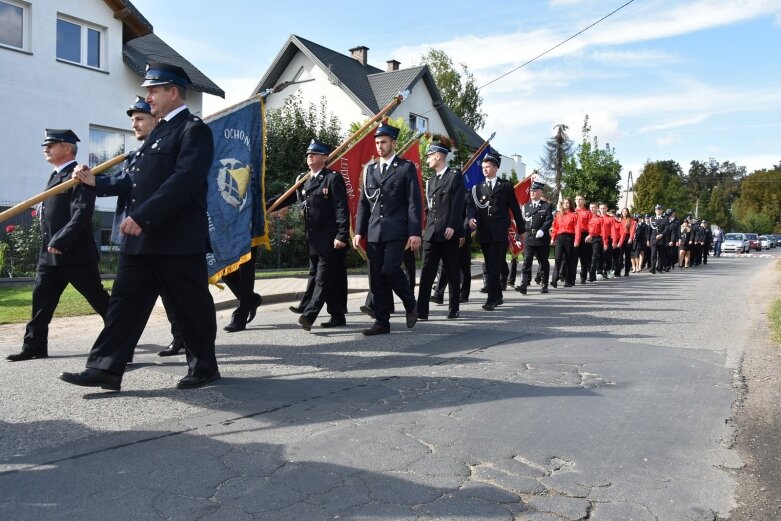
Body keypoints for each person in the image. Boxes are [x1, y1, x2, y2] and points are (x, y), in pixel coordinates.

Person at [60, 62, 219, 391]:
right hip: (142, 241)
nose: (148, 97)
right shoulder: (156, 133)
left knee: (190, 308)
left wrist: (144, 216)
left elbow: (184, 181)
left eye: (153, 90)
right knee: (123, 304)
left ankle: (204, 366)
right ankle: (105, 368)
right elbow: (130, 180)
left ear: (173, 92)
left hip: (176, 240)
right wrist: (93, 182)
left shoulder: (193, 130)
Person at [7, 130, 110, 362]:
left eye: (51, 144)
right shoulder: (55, 176)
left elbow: (82, 212)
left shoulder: (79, 174)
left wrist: (62, 238)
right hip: (50, 254)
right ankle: (34, 346)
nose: (46, 148)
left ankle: (121, 342)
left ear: (67, 148)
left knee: (99, 300)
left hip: (75, 254)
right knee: (41, 301)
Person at [273, 140, 350, 331]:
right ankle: (337, 315)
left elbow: (341, 208)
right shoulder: (306, 181)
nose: (310, 156)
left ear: (324, 158)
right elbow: (287, 197)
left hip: (331, 238)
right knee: (323, 277)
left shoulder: (333, 179)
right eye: (309, 154)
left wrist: (342, 234)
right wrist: (267, 206)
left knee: (323, 278)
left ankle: (310, 314)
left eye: (314, 154)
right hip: (314, 239)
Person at [353, 124, 422, 335]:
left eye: (383, 142)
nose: (379, 146)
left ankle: (411, 303)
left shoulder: (405, 168)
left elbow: (414, 202)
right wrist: (358, 231)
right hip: (374, 231)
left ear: (393, 143)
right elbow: (363, 203)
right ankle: (382, 322)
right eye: (377, 142)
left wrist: (415, 232)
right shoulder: (370, 170)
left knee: (390, 269)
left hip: (397, 229)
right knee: (377, 278)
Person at [466, 149, 523, 310]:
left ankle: (491, 299)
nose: (485, 169)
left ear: (496, 167)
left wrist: (522, 229)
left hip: (499, 232)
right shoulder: (477, 188)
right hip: (484, 232)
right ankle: (498, 296)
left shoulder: (505, 186)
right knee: (490, 265)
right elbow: (471, 206)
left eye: (488, 166)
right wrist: (471, 217)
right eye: (483, 167)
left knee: (494, 264)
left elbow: (515, 208)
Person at [416, 142, 465, 320]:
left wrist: (453, 225)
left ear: (438, 155)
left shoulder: (454, 176)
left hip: (447, 232)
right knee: (427, 272)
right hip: (431, 233)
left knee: (452, 271)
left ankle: (454, 308)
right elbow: (429, 208)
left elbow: (458, 204)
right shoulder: (431, 181)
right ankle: (421, 310)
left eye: (429, 155)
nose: (427, 159)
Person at [516, 180, 552, 295]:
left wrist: (542, 230)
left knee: (543, 262)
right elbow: (521, 223)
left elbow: (549, 220)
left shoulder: (546, 206)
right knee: (527, 261)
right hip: (529, 238)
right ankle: (524, 284)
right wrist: (517, 236)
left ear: (541, 192)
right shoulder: (525, 207)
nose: (532, 193)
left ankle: (544, 283)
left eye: (535, 191)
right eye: (531, 191)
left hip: (541, 238)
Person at [549, 197, 580, 288]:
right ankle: (554, 280)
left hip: (570, 238)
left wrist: (577, 240)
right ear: (562, 204)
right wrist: (552, 238)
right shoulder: (558, 215)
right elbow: (555, 228)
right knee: (558, 258)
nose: (566, 204)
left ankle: (569, 280)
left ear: (570, 204)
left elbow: (577, 229)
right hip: (559, 238)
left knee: (569, 259)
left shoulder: (574, 215)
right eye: (564, 203)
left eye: (568, 203)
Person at [573, 195, 592, 284]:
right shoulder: (572, 211)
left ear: (584, 201)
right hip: (573, 235)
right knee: (573, 257)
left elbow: (591, 225)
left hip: (584, 235)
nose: (578, 201)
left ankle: (583, 276)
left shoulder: (588, 212)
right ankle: (571, 276)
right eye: (576, 199)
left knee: (584, 257)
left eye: (580, 199)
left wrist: (590, 235)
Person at [584, 204, 605, 282]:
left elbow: (602, 231)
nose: (592, 209)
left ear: (597, 208)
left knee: (594, 257)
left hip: (596, 238)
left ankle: (592, 274)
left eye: (594, 207)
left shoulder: (600, 219)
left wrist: (605, 242)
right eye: (591, 207)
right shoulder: (587, 218)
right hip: (586, 238)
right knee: (588, 257)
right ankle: (588, 273)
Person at [649, 204, 668, 274]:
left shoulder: (665, 218)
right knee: (653, 254)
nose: (658, 211)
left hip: (661, 238)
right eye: (657, 209)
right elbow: (649, 230)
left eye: (659, 209)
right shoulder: (652, 218)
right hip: (653, 238)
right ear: (655, 211)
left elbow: (666, 228)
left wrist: (661, 234)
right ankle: (653, 268)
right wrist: (648, 239)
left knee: (661, 255)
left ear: (662, 210)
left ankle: (659, 268)